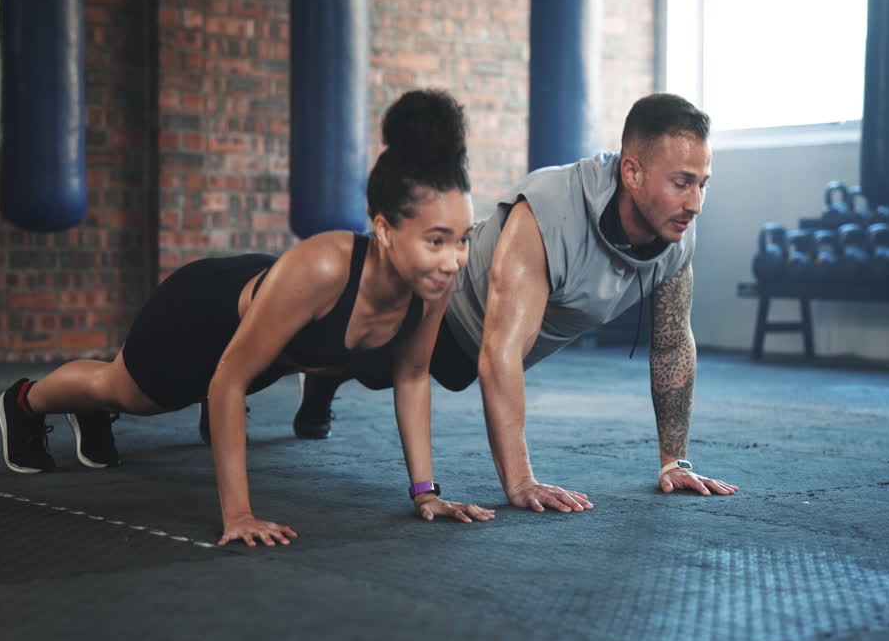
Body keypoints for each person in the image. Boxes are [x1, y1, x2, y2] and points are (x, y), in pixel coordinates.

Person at [0, 90, 495, 546]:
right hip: (197, 316)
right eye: (436, 240)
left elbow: (410, 376)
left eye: (463, 239)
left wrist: (425, 493)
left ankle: (90, 408)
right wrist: (239, 515)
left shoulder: (432, 285)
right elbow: (229, 379)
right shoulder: (323, 267)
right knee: (124, 392)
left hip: (268, 330)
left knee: (156, 389)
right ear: (384, 231)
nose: (454, 259)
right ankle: (24, 401)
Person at [291, 93, 740, 513]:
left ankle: (327, 372)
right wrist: (521, 482)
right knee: (355, 360)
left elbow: (672, 344)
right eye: (682, 183)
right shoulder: (550, 209)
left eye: (703, 184)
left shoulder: (676, 234)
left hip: (485, 347)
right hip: (437, 308)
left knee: (384, 368)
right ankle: (318, 378)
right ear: (632, 173)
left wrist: (673, 462)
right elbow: (500, 350)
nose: (695, 203)